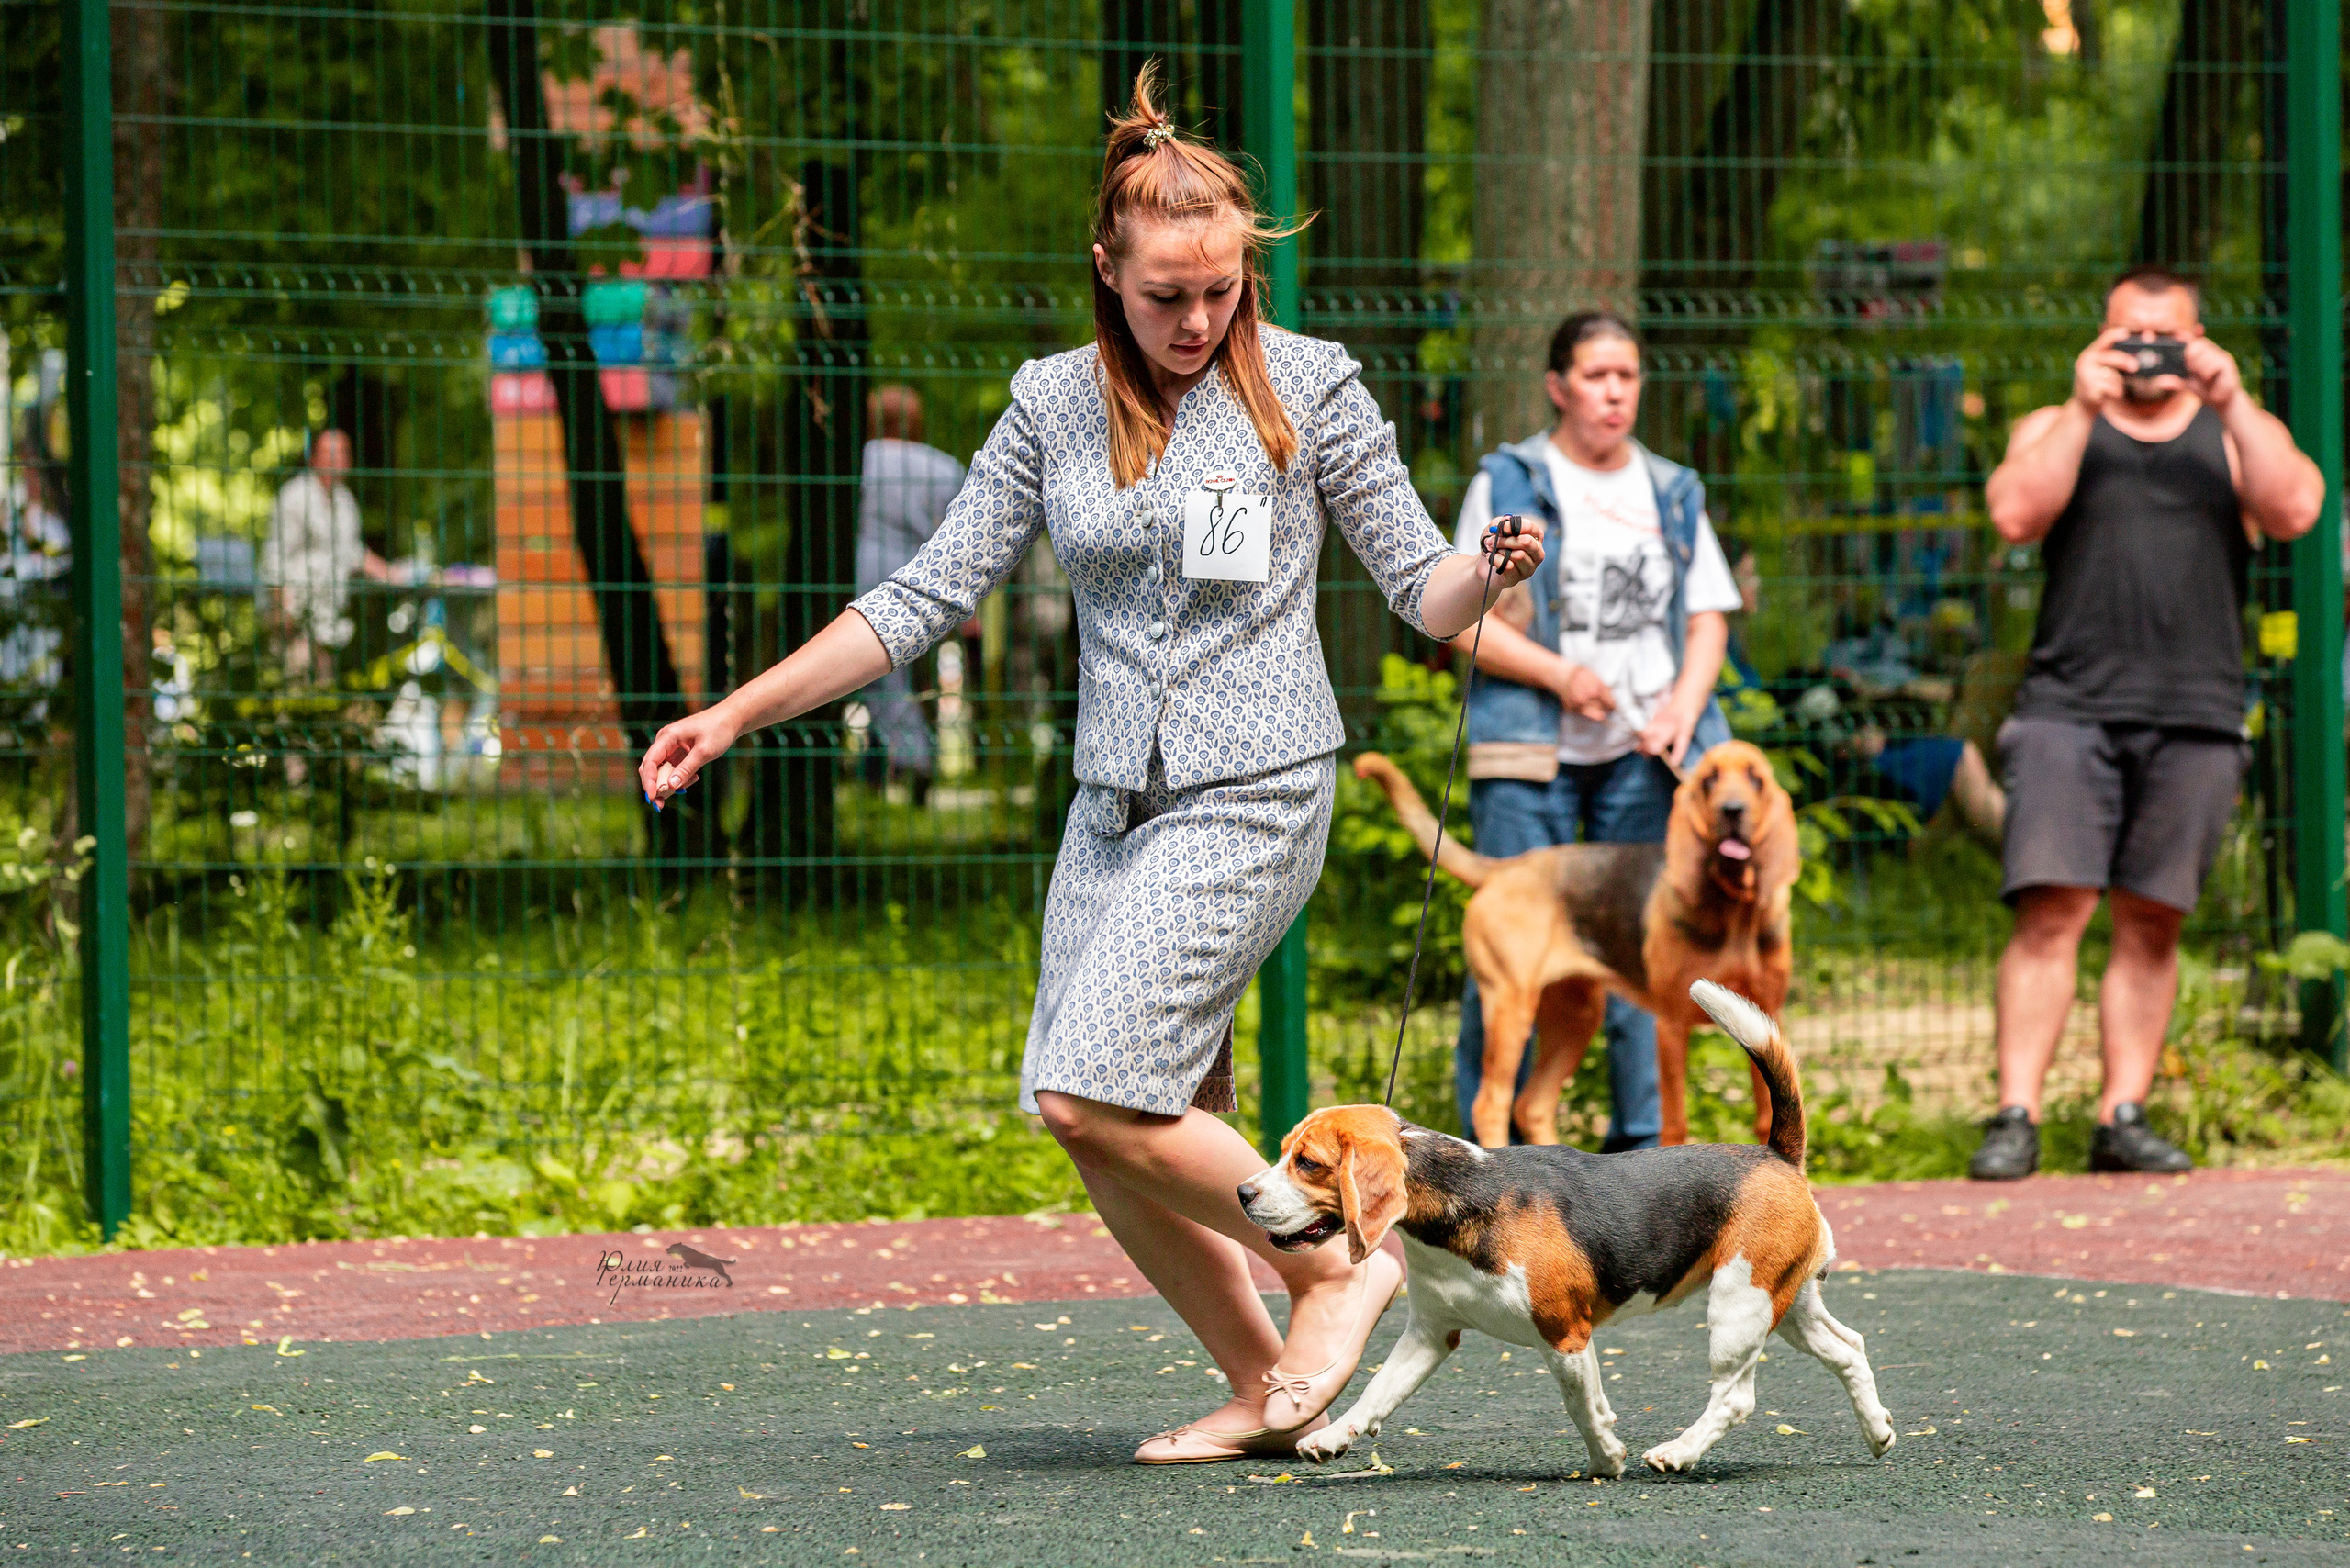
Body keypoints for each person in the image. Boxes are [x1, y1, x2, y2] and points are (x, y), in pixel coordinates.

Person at [637, 66, 1544, 1463]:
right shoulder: (1053, 406)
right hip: (1116, 804)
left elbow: (1418, 588)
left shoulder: (1310, 385)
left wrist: (1482, 578)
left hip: (1261, 784)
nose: (1198, 322)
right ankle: (1260, 1387)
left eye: (1222, 292)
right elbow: (922, 596)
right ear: (1107, 270)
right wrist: (738, 713)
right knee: (1117, 1119)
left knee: (1084, 1086)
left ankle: (1340, 1267)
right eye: (1167, 295)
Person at [1971, 263, 2324, 1180]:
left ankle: (2120, 1115)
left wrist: (2233, 397)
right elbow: (2011, 513)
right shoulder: (2054, 427)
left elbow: (2296, 510)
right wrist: (2082, 408)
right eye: (2129, 334)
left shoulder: (2238, 433)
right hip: (2065, 709)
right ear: (2100, 334)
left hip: (2198, 713)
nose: (2147, 352)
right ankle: (2014, 1116)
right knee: (2050, 909)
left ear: (2199, 337)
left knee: (2153, 919)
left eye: (2167, 336)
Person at [1446, 311, 1740, 1150]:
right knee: (1509, 968)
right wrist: (1557, 674)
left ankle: (1642, 1151)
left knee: (1649, 961)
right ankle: (1484, 1158)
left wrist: (1684, 704)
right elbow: (1463, 617)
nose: (1616, 393)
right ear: (1558, 386)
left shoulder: (1672, 489)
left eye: (1629, 377)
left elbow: (1709, 615)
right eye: (1598, 376)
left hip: (1646, 758)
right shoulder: (1510, 482)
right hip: (1531, 752)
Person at [856, 385, 967, 796]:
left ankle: (905, 755)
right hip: (925, 579)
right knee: (919, 677)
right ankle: (915, 758)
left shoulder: (861, 460)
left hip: (862, 570)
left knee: (872, 674)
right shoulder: (943, 466)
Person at [260, 429, 391, 684]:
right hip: (296, 613)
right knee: (295, 686)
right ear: (314, 458)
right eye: (329, 454)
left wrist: (392, 575)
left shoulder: (345, 500)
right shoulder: (294, 497)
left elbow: (353, 552)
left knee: (323, 686)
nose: (336, 460)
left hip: (329, 614)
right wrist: (281, 609)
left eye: (342, 454)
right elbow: (275, 555)